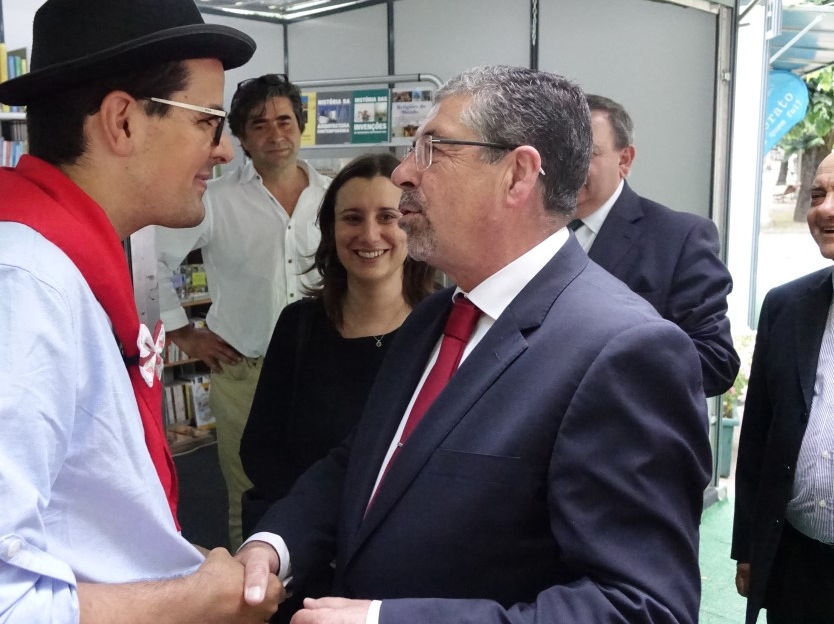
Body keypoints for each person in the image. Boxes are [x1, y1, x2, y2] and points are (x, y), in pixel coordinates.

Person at [0, 0, 283, 623]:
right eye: (208, 121)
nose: (224, 149)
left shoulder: (57, 264)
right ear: (123, 121)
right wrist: (197, 598)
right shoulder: (11, 288)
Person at [235, 64, 712, 624]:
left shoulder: (623, 352)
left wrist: (387, 621)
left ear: (517, 175)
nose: (405, 172)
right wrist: (273, 546)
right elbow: (363, 463)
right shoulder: (435, 317)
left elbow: (641, 607)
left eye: (433, 149)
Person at [239, 153, 435, 619]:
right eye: (352, 218)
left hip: (401, 580)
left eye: (387, 216)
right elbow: (262, 450)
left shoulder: (441, 331)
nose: (369, 234)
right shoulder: (300, 325)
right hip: (302, 570)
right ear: (330, 230)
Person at [155, 73, 331, 548]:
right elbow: (151, 263)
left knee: (323, 482)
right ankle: (246, 582)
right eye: (259, 124)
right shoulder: (215, 199)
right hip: (245, 374)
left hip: (324, 369)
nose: (275, 134)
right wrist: (182, 333)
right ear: (241, 137)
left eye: (285, 121)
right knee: (248, 490)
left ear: (301, 125)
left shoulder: (332, 197)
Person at [573, 94, 739, 397]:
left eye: (586, 153)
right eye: (559, 153)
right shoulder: (526, 232)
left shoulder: (679, 237)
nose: (568, 166)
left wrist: (603, 373)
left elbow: (715, 360)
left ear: (624, 160)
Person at [731, 151, 834, 624]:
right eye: (817, 194)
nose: (825, 209)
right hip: (796, 562)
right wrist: (749, 547)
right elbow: (758, 436)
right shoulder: (786, 306)